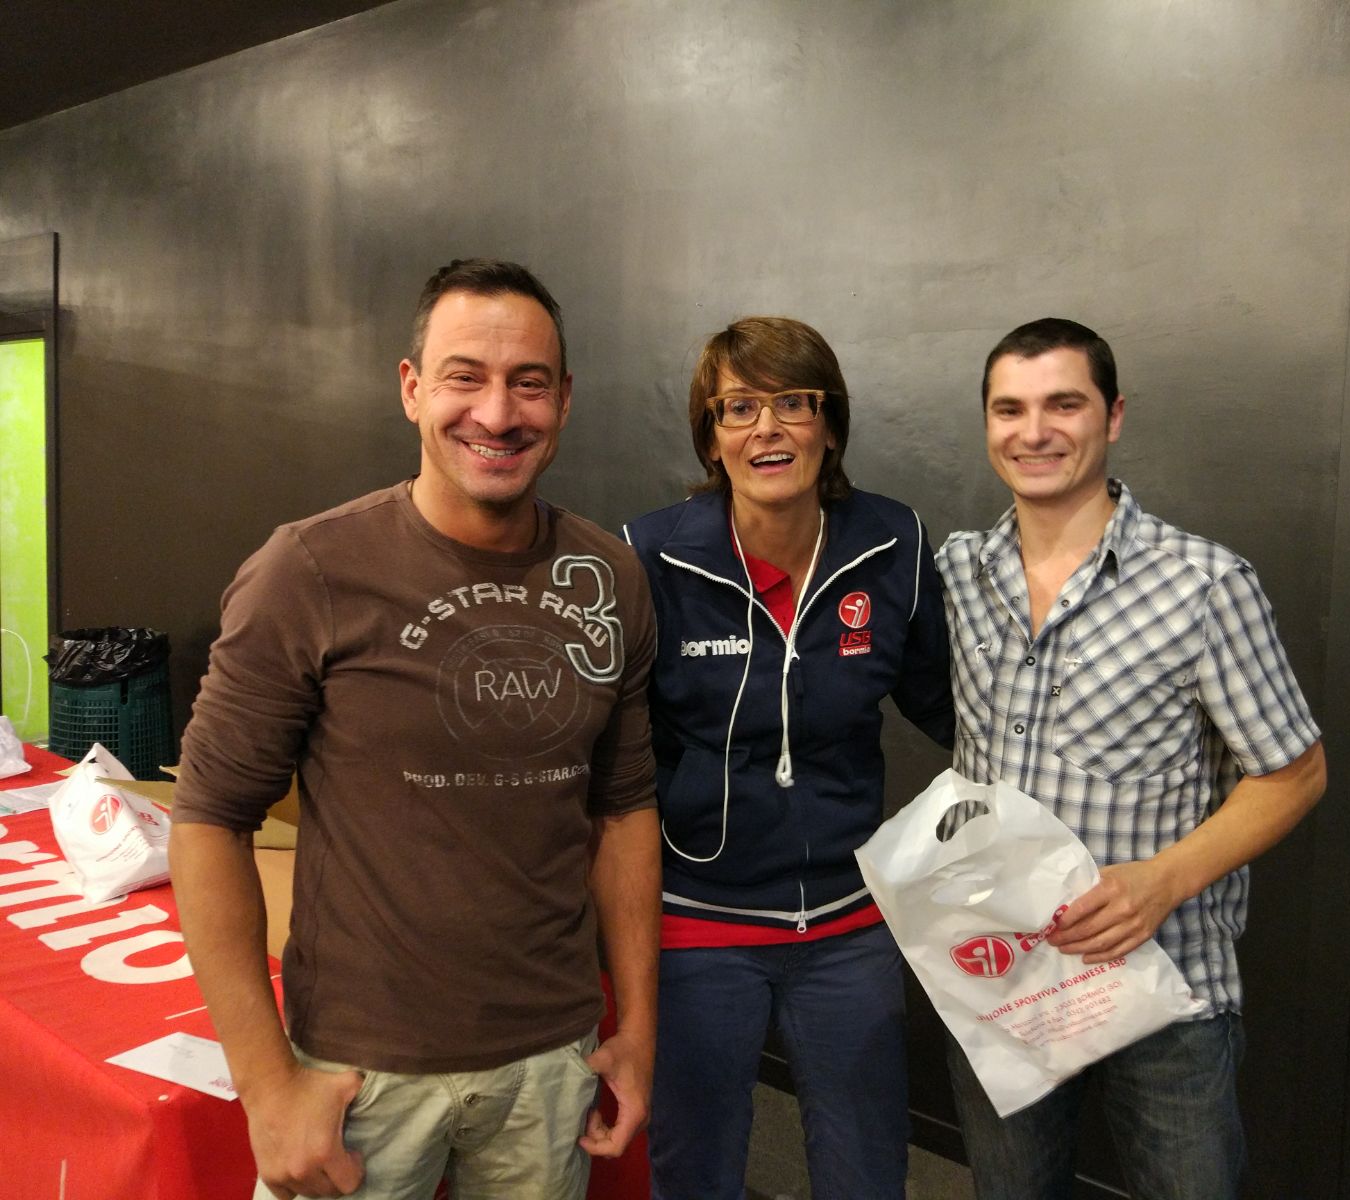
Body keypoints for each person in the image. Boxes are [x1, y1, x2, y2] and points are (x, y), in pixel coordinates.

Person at [169, 258, 660, 1200]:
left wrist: (636, 1028)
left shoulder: (610, 576)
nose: (496, 413)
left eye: (527, 383)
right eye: (464, 377)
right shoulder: (308, 571)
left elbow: (624, 808)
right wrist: (265, 1085)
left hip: (550, 1059)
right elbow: (208, 821)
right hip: (359, 1072)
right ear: (411, 389)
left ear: (564, 399)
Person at [937, 318, 1327, 1199]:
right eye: (1009, 409)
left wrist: (1161, 881)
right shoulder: (956, 574)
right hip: (1004, 973)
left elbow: (1295, 773)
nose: (1033, 431)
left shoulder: (1203, 583)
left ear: (1112, 416)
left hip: (1164, 984)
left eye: (1062, 404)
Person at [622, 317, 954, 1200]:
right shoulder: (650, 555)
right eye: (738, 408)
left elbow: (955, 710)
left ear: (829, 425)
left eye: (793, 403)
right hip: (699, 922)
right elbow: (609, 758)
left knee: (867, 1175)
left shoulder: (892, 542)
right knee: (694, 1173)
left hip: (848, 921)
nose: (766, 428)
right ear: (711, 438)